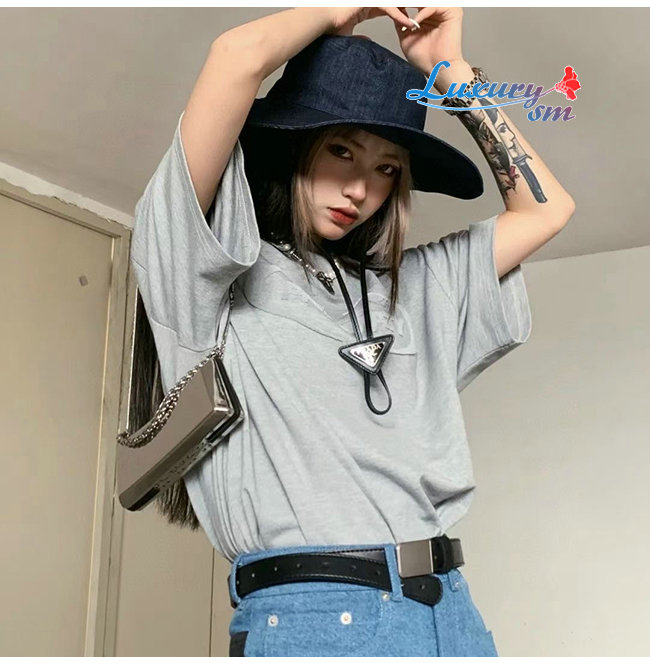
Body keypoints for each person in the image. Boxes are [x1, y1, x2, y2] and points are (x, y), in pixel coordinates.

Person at [129, 7, 574, 657]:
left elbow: (546, 209)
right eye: (341, 151)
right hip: (313, 611)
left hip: (449, 611)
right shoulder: (211, 276)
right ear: (296, 144)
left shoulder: (416, 286)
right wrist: (337, 9)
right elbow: (235, 58)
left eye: (387, 168)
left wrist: (449, 72)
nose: (361, 187)